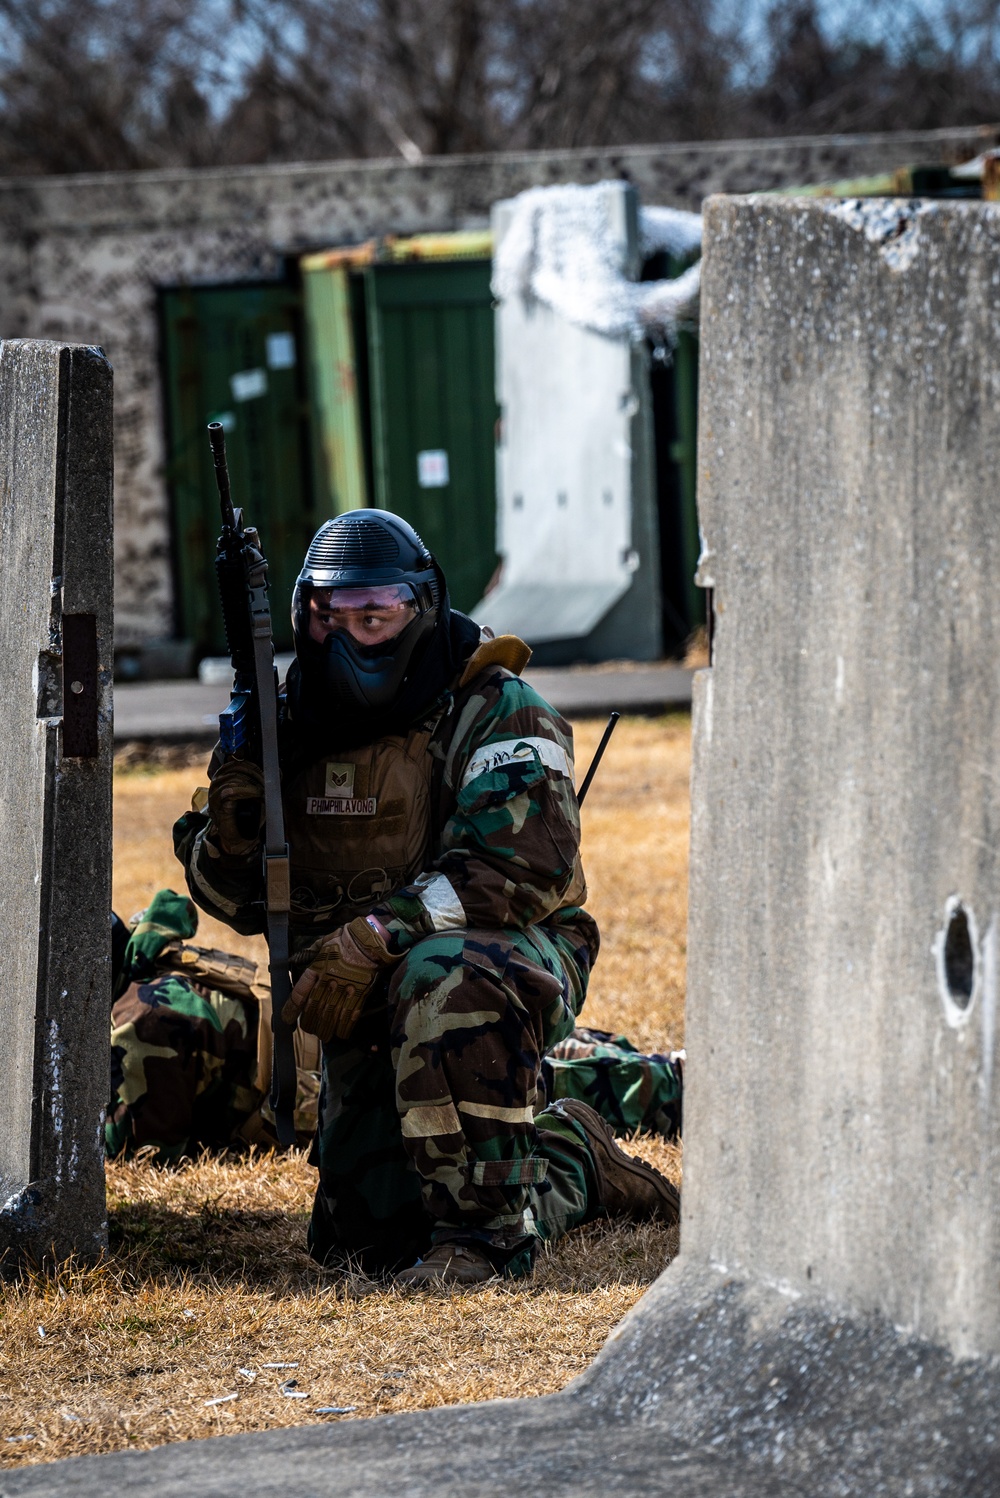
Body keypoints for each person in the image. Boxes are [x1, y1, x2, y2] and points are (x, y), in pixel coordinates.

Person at [173, 510, 680, 1285]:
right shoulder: (286, 723)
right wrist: (235, 835)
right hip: (361, 991)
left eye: (374, 616)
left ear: (421, 608)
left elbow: (521, 867)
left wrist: (379, 932)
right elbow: (236, 903)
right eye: (327, 616)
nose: (349, 637)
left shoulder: (495, 704)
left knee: (443, 975)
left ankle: (481, 1248)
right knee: (369, 1240)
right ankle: (574, 1156)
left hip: (506, 952)